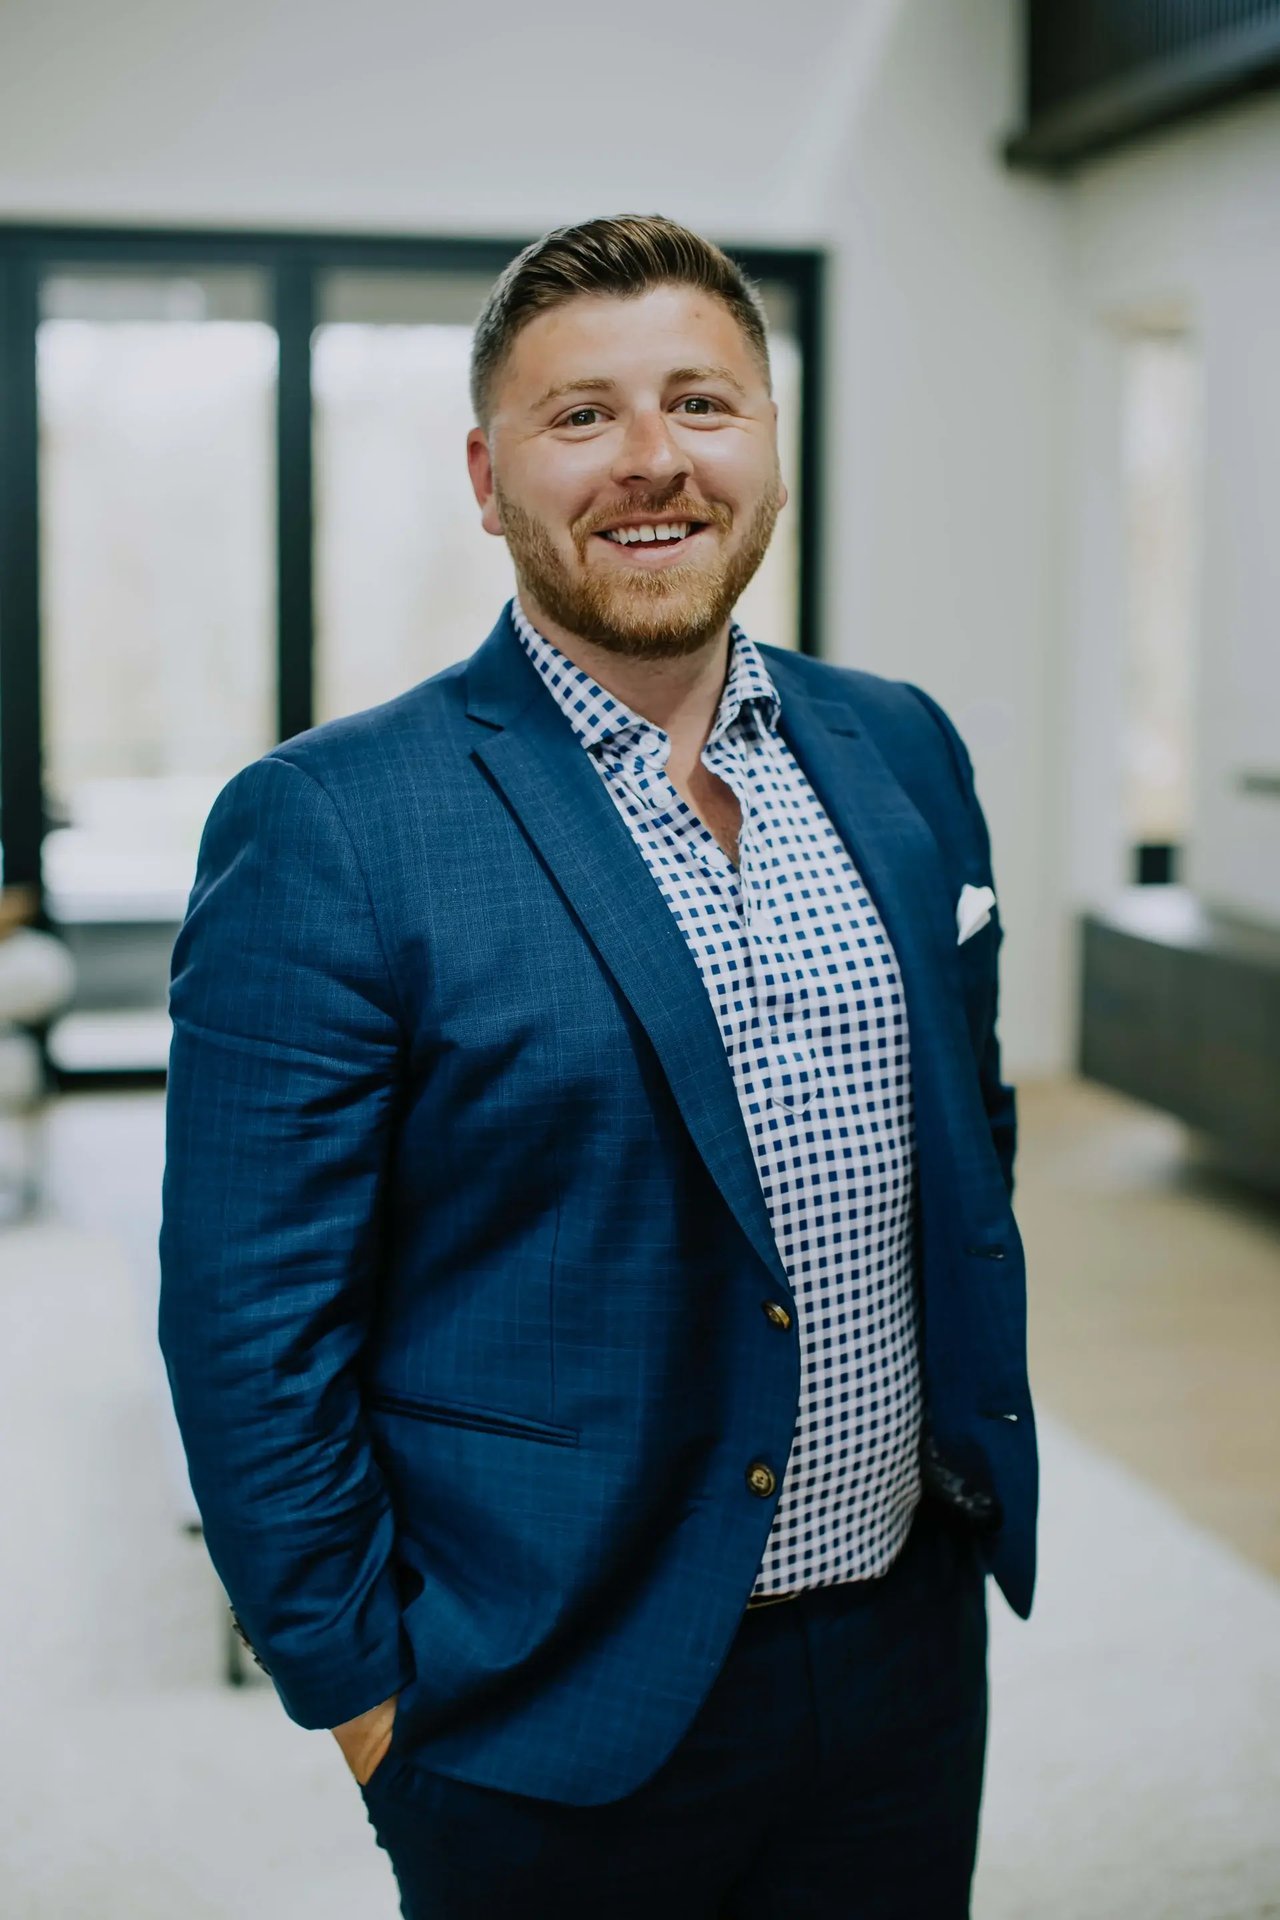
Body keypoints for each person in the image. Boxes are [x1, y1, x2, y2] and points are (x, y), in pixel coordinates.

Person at [159, 213, 1037, 1919]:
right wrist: (367, 1705)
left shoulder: (905, 747)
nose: (653, 460)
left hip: (905, 1653)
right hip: (545, 1706)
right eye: (582, 416)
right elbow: (249, 1328)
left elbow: (968, 1132)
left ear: (769, 444)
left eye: (702, 403)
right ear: (487, 479)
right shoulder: (332, 825)